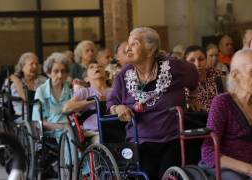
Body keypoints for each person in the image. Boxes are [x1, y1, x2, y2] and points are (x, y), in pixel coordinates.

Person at [107, 27, 199, 179]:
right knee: (146, 174)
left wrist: (194, 97)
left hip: (172, 138)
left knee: (169, 173)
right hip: (140, 141)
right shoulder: (123, 75)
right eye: (128, 44)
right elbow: (111, 103)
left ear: (150, 50)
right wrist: (118, 108)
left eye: (134, 44)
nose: (127, 48)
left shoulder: (174, 67)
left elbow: (194, 75)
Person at [200, 49, 252, 180]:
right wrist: (249, 169)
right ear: (235, 75)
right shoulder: (222, 103)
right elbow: (208, 152)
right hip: (227, 168)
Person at [63, 61, 111, 143]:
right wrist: (91, 100)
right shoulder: (84, 92)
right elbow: (66, 109)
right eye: (92, 67)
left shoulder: (114, 91)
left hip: (115, 129)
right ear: (86, 78)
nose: (96, 68)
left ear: (106, 76)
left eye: (100, 66)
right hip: (94, 132)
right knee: (102, 140)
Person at [32, 52, 72, 139]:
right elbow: (38, 121)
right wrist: (60, 127)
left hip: (72, 128)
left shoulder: (70, 88)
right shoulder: (41, 91)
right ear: (49, 72)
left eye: (63, 71)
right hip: (54, 131)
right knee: (69, 137)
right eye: (56, 71)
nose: (60, 75)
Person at [2, 52, 46, 117]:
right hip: (22, 117)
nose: (35, 66)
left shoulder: (43, 80)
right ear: (22, 67)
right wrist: (18, 83)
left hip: (43, 115)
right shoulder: (12, 81)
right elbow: (1, 101)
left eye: (36, 64)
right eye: (31, 64)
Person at [185, 45, 223, 112]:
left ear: (206, 60)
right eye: (192, 60)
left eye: (201, 59)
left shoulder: (217, 75)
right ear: (184, 62)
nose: (197, 64)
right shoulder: (183, 82)